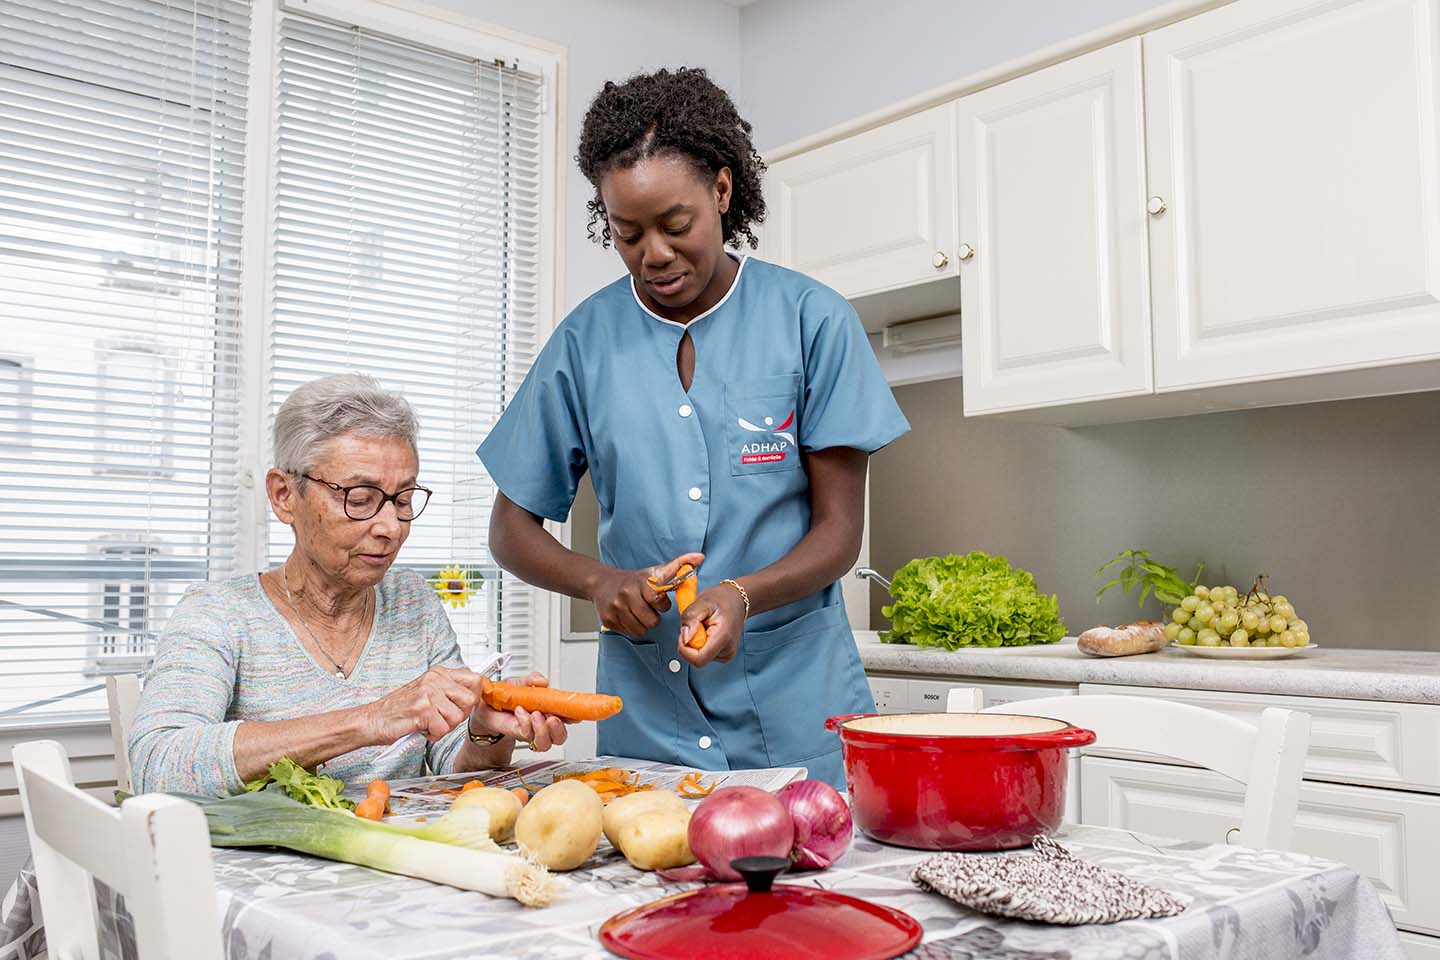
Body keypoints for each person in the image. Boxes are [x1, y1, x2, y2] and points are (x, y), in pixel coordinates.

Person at [477, 68, 909, 787]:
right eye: (627, 232)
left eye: (676, 225)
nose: (654, 253)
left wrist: (741, 594)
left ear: (722, 190)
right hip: (647, 724)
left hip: (796, 715)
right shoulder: (586, 343)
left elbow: (839, 534)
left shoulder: (811, 321)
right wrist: (598, 582)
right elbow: (510, 530)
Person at [129, 374, 566, 796]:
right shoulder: (218, 615)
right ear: (285, 495)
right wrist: (370, 719)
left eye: (404, 499)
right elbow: (160, 763)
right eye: (360, 499)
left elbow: (451, 762)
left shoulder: (412, 602)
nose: (391, 527)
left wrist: (484, 731)